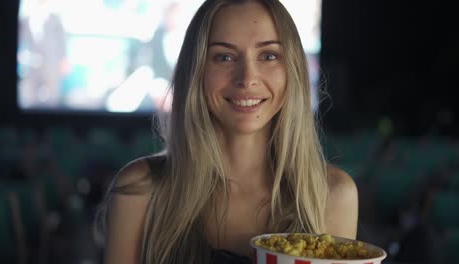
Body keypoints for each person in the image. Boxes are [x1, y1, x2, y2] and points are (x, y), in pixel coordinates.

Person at [94, 0, 358, 263]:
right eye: (225, 57)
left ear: (293, 70)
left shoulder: (333, 194)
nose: (246, 78)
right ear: (196, 71)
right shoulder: (140, 191)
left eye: (268, 56)